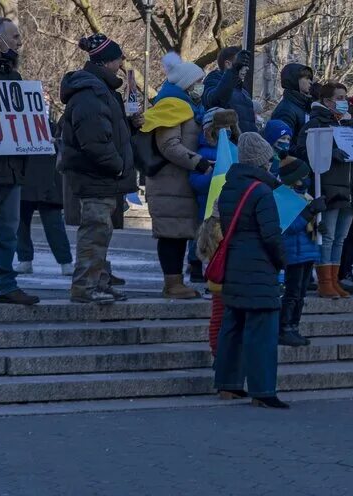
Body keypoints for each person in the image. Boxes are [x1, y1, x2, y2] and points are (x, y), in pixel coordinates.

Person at [59, 33, 140, 304]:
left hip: (101, 175)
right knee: (94, 232)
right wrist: (117, 167)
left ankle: (99, 281)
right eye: (119, 60)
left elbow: (108, 134)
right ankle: (85, 287)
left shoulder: (100, 91)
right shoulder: (91, 93)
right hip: (97, 175)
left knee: (100, 232)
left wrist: (131, 125)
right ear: (107, 62)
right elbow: (95, 141)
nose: (122, 65)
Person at [212, 132, 290, 408]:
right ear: (261, 161)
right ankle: (263, 390)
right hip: (258, 267)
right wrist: (283, 260)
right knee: (262, 329)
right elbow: (271, 235)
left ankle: (228, 384)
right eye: (268, 160)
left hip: (235, 262)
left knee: (232, 325)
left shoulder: (230, 187)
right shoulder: (261, 191)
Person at [142, 52, 210, 299]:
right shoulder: (172, 106)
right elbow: (170, 146)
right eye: (199, 82)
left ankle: (176, 282)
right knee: (171, 234)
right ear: (187, 84)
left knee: (179, 234)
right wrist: (199, 163)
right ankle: (172, 284)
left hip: (179, 184)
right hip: (168, 183)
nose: (201, 87)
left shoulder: (189, 107)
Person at [299, 81, 353, 298]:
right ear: (326, 101)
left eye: (345, 98)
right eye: (339, 98)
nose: (344, 103)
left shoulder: (347, 126)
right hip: (330, 189)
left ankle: (334, 279)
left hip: (349, 190)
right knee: (327, 236)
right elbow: (303, 151)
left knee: (340, 237)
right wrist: (330, 153)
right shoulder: (315, 125)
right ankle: (324, 281)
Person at [0, 18, 39, 305]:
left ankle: (5, 284)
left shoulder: (14, 78)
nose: (20, 41)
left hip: (10, 166)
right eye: (15, 36)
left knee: (7, 230)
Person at [276, 156, 325, 346]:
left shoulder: (305, 196)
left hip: (307, 251)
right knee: (292, 293)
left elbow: (307, 225)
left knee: (301, 294)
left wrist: (319, 227)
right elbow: (290, 226)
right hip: (294, 253)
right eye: (303, 175)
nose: (307, 179)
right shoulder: (283, 197)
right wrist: (310, 212)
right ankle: (284, 328)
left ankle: (294, 326)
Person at [189, 107, 240, 282]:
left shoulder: (234, 150)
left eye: (229, 127)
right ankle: (203, 271)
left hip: (231, 206)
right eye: (221, 128)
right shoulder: (203, 153)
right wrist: (211, 173)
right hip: (208, 206)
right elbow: (196, 182)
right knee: (209, 239)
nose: (226, 131)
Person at [16, 120, 73, 277]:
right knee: (27, 224)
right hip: (38, 179)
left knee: (50, 224)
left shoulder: (51, 125)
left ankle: (27, 260)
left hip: (37, 179)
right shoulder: (50, 124)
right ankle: (63, 262)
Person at [202, 47, 257, 133]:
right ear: (228, 64)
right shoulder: (212, 81)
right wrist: (233, 71)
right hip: (226, 144)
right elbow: (215, 101)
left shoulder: (244, 92)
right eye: (242, 64)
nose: (247, 68)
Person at [271, 63, 314, 149]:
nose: (310, 82)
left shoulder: (303, 106)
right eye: (306, 78)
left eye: (310, 78)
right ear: (294, 79)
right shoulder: (286, 109)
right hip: (294, 160)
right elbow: (283, 144)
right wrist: (304, 154)